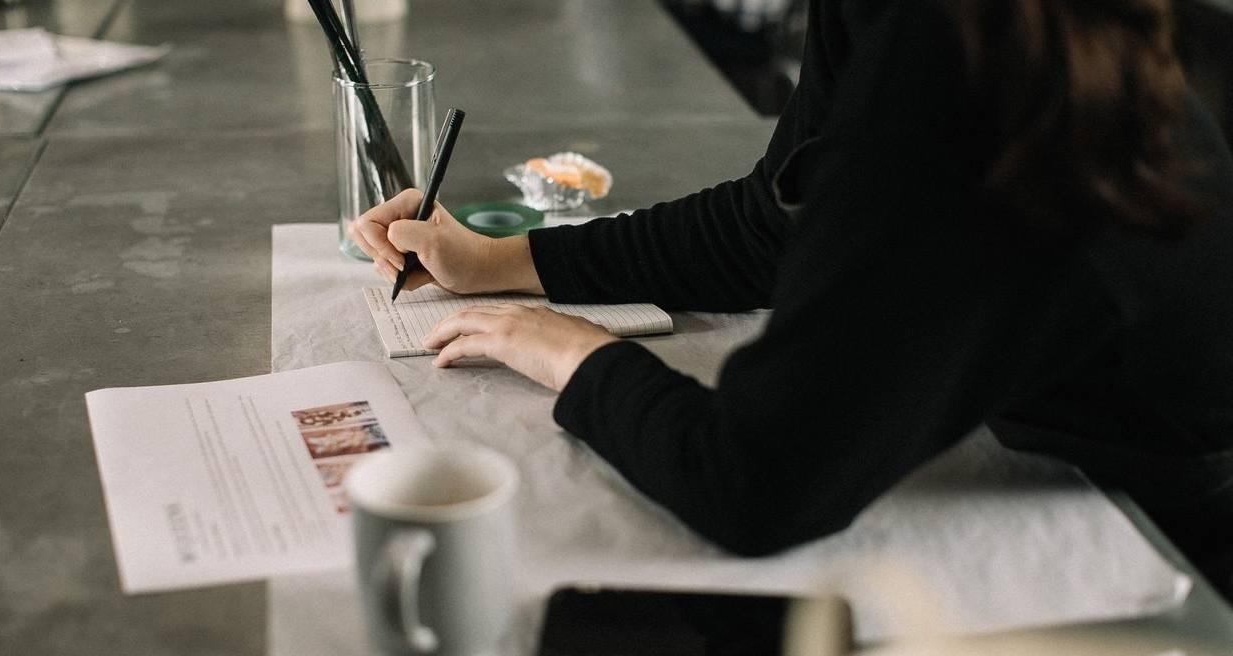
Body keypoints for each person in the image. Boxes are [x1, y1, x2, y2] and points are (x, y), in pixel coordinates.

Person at [351, 0, 1233, 598]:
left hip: (1162, 574)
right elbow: (771, 224)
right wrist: (505, 260)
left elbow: (756, 484)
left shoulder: (970, 67)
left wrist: (572, 352)